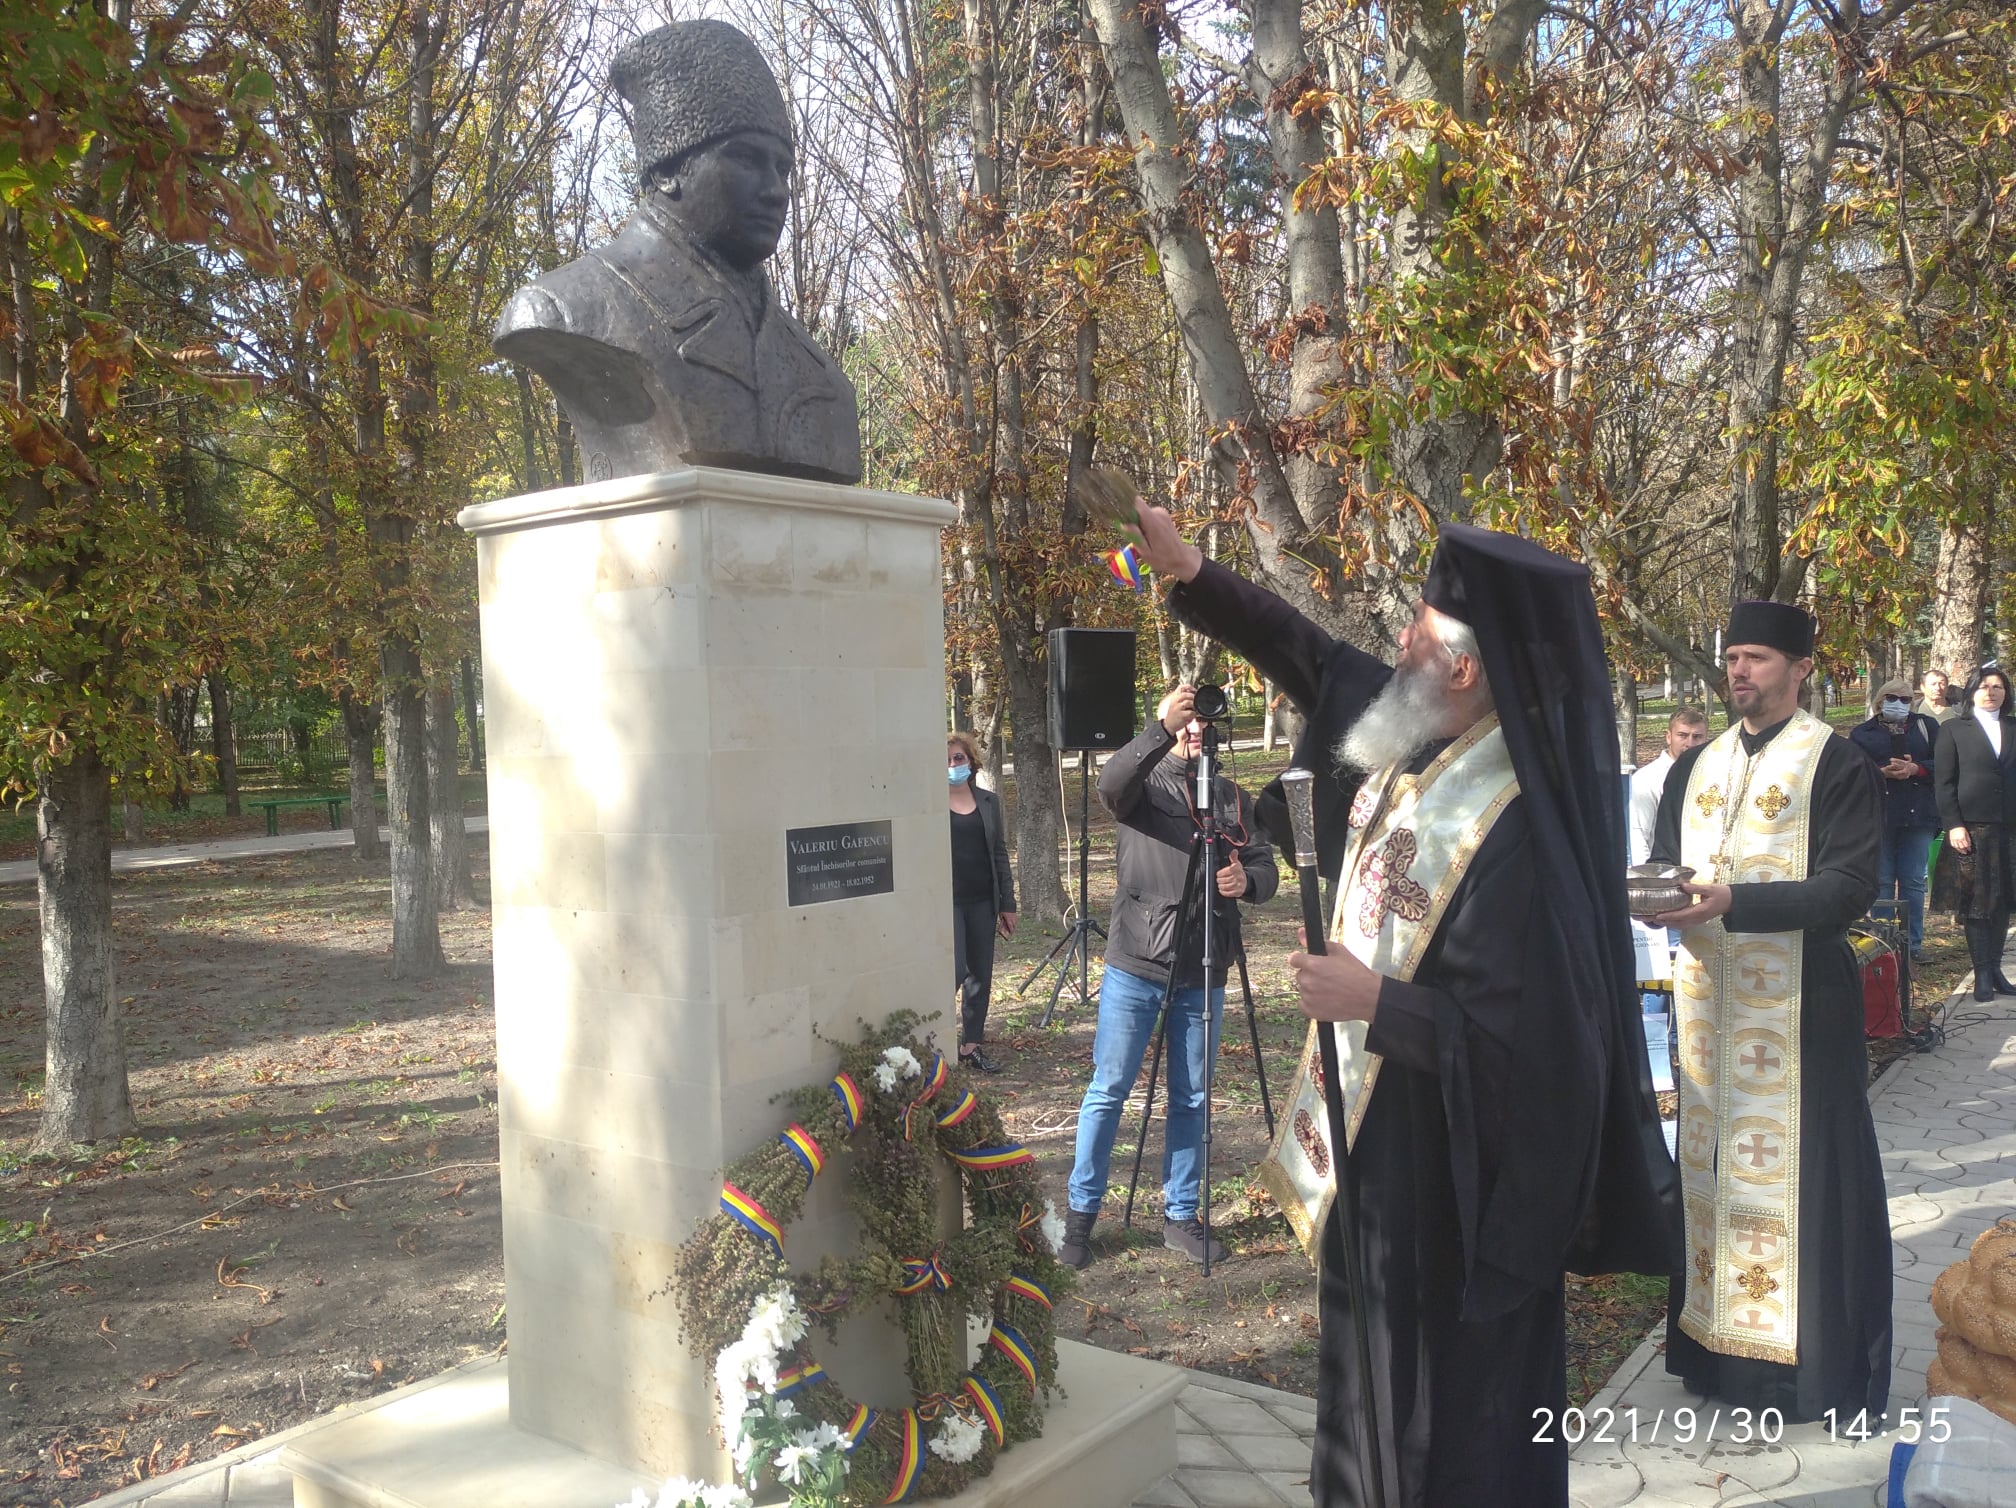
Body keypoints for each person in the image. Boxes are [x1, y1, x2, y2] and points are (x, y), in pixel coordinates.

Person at [1130, 505, 1676, 1507]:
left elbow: (1555, 1053)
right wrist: (1194, 573)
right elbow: (1309, 651)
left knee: (1445, 1423)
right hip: (1373, 1166)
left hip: (1457, 1195)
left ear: (1463, 667)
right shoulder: (1423, 737)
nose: (1395, 645)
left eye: (1415, 631)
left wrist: (1377, 999)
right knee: (1363, 1383)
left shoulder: (1525, 828)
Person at [1648, 601, 1889, 1424]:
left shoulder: (1836, 762)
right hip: (1711, 1015)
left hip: (1802, 1010)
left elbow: (1850, 887)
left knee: (1808, 1180)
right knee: (1709, 1178)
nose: (1739, 671)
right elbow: (1660, 863)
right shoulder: (1696, 764)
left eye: (1755, 657)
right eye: (1732, 658)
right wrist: (1654, 897)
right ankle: (1716, 1358)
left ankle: (1807, 1374)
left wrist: (1731, 902)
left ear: (1800, 669)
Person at [493, 19, 861, 484]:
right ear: (668, 170)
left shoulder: (824, 382)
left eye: (783, 168)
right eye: (747, 159)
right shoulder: (564, 310)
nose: (776, 190)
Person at [1056, 685, 1278, 1268]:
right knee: (1109, 1091)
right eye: (1185, 720)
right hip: (1138, 962)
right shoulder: (1144, 785)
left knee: (1194, 1096)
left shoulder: (1230, 795)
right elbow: (1110, 785)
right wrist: (1158, 728)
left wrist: (1247, 883)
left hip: (1204, 965)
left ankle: (1181, 1215)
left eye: (1202, 720)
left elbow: (1262, 865)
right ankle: (1080, 1218)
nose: (1194, 729)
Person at [1932, 665, 2016, 1004]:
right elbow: (1943, 782)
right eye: (1983, 686)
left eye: (1998, 687)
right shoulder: (1954, 729)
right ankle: (1981, 970)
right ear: (1970, 692)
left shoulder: (2012, 727)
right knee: (1978, 902)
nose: (1991, 692)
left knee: (2003, 902)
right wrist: (1954, 824)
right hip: (1970, 829)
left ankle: (1995, 968)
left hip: (2009, 828)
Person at [1849, 678, 1940, 962]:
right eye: (1892, 698)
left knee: (1913, 880)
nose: (1899, 704)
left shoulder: (1926, 727)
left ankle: (1912, 945)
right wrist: (1880, 772)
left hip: (1919, 814)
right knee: (1883, 881)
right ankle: (1883, 944)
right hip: (1879, 816)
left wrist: (1916, 768)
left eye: (1905, 699)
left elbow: (1946, 764)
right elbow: (1851, 771)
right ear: (1879, 700)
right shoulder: (1862, 733)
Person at [947, 732, 1015, 1073]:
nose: (952, 765)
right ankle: (934, 1033)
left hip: (982, 901)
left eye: (958, 758)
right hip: (947, 903)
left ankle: (970, 1044)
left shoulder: (988, 802)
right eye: (945, 760)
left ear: (970, 761)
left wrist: (1008, 903)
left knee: (980, 974)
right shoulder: (930, 804)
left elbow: (999, 853)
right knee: (955, 968)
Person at [1630, 708, 1711, 864]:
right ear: (1669, 737)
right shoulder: (1647, 779)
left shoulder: (1713, 777)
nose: (1690, 743)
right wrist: (1651, 881)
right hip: (1665, 874)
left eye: (1697, 737)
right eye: (1682, 735)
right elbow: (1638, 836)